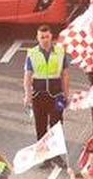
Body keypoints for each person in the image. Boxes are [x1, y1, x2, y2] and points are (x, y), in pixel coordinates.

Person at [24, 25, 70, 164]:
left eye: (47, 37)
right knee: (41, 126)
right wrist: (27, 95)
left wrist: (66, 94)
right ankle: (44, 157)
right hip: (38, 94)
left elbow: (65, 74)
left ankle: (56, 155)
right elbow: (27, 76)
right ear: (37, 38)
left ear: (51, 37)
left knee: (57, 126)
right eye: (41, 37)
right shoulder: (32, 53)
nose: (44, 40)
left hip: (57, 94)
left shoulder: (61, 52)